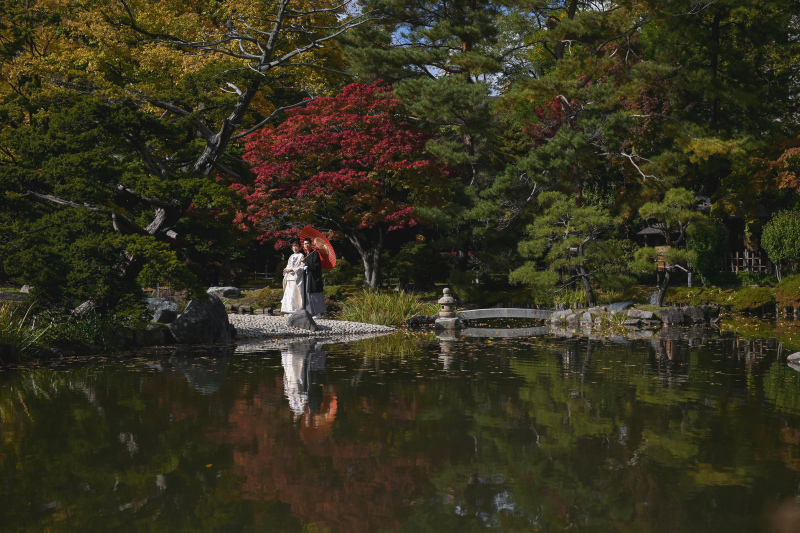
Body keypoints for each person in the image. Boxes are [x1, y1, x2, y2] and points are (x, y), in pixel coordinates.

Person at [302, 237, 327, 318]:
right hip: (308, 276)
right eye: (305, 244)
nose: (306, 245)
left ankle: (318, 313)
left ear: (311, 244)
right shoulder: (307, 254)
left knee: (315, 294)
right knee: (308, 294)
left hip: (314, 277)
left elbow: (317, 266)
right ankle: (311, 312)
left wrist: (307, 263)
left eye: (307, 243)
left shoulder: (315, 253)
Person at [280, 240, 305, 313]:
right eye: (293, 246)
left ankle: (296, 309)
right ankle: (288, 309)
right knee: (289, 293)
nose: (295, 248)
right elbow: (288, 265)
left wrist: (292, 269)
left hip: (296, 277)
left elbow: (302, 267)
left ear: (300, 247)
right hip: (289, 277)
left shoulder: (301, 255)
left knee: (295, 293)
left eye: (296, 246)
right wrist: (286, 269)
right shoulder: (291, 256)